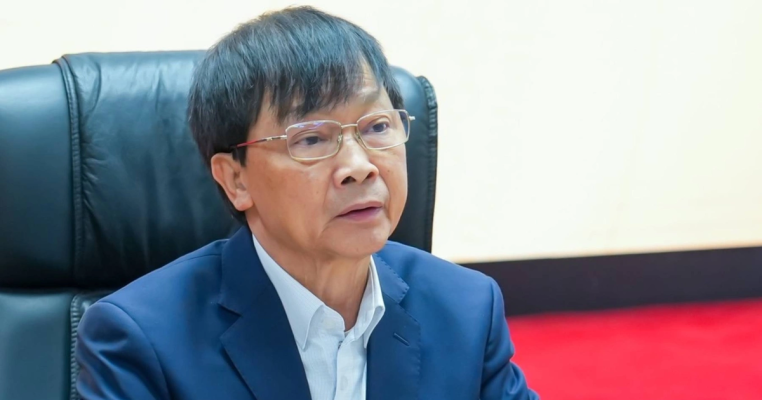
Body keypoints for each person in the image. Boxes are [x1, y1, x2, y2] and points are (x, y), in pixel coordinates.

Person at [75, 6, 538, 400]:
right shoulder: (140, 339)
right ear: (236, 179)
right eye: (312, 138)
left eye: (377, 127)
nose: (359, 166)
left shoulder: (466, 309)